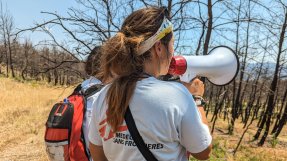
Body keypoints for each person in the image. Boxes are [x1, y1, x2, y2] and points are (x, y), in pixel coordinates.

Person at [88, 6, 212, 161]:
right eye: (172, 44)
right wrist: (197, 99)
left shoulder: (104, 95)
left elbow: (97, 154)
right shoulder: (178, 96)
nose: (173, 51)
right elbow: (203, 152)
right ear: (159, 48)